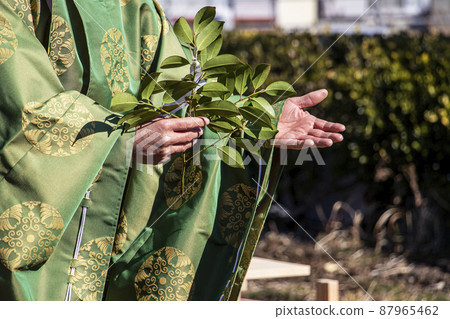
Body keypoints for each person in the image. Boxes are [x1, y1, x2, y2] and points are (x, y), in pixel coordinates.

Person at [0, 0, 344, 301]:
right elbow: (19, 103)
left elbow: (179, 97)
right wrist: (120, 143)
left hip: (116, 217)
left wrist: (252, 121)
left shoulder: (135, 6)